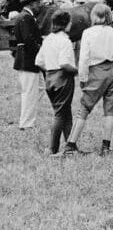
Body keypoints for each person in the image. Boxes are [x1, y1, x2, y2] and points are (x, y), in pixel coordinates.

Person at [63, 3, 113, 156]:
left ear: (93, 16)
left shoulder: (88, 33)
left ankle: (70, 145)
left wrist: (82, 77)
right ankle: (106, 147)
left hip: (95, 71)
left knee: (84, 108)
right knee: (109, 110)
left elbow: (83, 58)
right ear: (109, 16)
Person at [33, 9, 77, 154]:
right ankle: (52, 148)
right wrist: (78, 71)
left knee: (65, 112)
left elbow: (39, 61)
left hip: (50, 78)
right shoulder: (65, 41)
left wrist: (51, 70)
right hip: (63, 78)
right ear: (67, 24)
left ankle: (71, 145)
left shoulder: (48, 39)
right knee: (59, 114)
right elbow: (65, 63)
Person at [11, 0, 44, 131]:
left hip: (27, 59)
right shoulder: (26, 17)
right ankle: (26, 124)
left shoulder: (24, 16)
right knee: (30, 92)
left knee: (40, 88)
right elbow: (29, 40)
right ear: (30, 4)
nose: (39, 5)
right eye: (37, 3)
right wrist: (43, 52)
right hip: (28, 59)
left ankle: (28, 117)